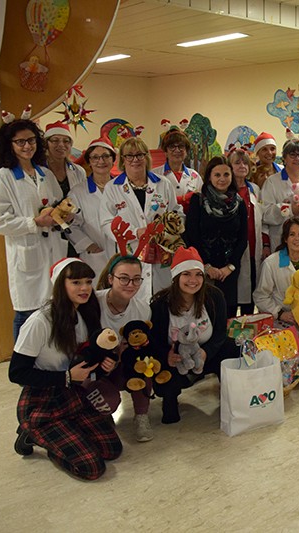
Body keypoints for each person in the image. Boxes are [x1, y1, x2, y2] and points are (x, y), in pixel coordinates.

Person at [8, 258, 122, 480]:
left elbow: (87, 355)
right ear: (61, 284)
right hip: (42, 402)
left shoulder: (83, 314)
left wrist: (108, 361)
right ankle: (33, 434)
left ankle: (64, 433)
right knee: (91, 468)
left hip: (73, 396)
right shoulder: (39, 321)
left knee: (112, 449)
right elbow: (16, 373)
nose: (85, 288)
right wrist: (66, 377)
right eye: (76, 282)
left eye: (88, 282)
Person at [0, 117, 66, 340]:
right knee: (27, 315)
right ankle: (23, 368)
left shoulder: (45, 174)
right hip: (26, 256)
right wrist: (34, 223)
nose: (27, 146)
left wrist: (62, 213)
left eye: (31, 140)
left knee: (53, 313)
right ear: (9, 145)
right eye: (20, 142)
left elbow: (57, 203)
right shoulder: (4, 177)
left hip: (52, 253)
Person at [150, 247, 237, 423]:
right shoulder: (160, 304)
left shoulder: (214, 296)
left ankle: (233, 394)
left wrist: (206, 353)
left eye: (198, 274)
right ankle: (170, 401)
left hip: (205, 354)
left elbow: (220, 333)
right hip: (176, 360)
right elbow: (154, 340)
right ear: (176, 277)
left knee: (233, 347)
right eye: (186, 274)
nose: (193, 280)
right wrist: (166, 356)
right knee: (169, 413)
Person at [100, 137, 183, 305]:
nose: (135, 159)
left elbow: (177, 213)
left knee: (162, 304)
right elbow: (106, 222)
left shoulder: (163, 184)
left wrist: (168, 229)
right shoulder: (112, 188)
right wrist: (135, 232)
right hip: (131, 253)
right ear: (122, 160)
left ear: (147, 157)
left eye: (139, 154)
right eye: (129, 155)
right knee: (133, 305)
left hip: (161, 256)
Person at [91, 254, 155, 441]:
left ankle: (142, 416)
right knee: (107, 401)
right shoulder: (94, 303)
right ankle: (102, 415)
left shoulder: (143, 309)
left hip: (125, 365)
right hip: (97, 366)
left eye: (136, 279)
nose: (131, 284)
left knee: (145, 365)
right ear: (111, 279)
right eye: (124, 278)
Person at [184, 156, 248, 318]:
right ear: (209, 177)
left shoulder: (239, 203)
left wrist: (230, 267)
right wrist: (207, 266)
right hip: (202, 270)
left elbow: (243, 238)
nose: (222, 179)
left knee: (228, 317)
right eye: (217, 175)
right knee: (204, 315)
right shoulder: (197, 200)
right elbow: (192, 236)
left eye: (226, 174)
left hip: (230, 271)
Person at [67, 138, 119, 284]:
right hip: (95, 256)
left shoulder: (123, 188)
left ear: (113, 159)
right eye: (95, 157)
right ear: (89, 161)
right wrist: (88, 245)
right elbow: (70, 225)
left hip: (123, 253)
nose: (100, 161)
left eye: (105, 156)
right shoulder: (77, 192)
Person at [254, 216, 299, 323]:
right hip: (282, 320)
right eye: (292, 234)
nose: (297, 239)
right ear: (285, 238)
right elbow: (261, 297)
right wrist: (280, 313)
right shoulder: (271, 263)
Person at [229, 148, 268, 316]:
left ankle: (249, 331)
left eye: (245, 162)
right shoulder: (226, 189)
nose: (242, 166)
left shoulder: (254, 189)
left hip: (253, 248)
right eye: (237, 162)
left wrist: (265, 244)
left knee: (251, 294)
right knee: (233, 296)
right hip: (232, 252)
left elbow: (263, 219)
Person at [151, 129, 203, 207]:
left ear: (186, 151)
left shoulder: (195, 176)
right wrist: (183, 199)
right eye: (172, 147)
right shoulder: (154, 175)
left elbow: (201, 202)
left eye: (181, 146)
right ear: (165, 152)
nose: (177, 150)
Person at [43, 121, 86, 198]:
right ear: (46, 144)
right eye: (55, 140)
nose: (61, 145)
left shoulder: (79, 171)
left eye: (66, 141)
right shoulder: (38, 171)